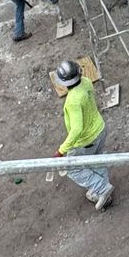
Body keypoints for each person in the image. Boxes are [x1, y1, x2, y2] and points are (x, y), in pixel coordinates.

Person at [52, 59, 113, 210]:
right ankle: (104, 196)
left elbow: (77, 129)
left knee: (73, 168)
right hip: (99, 129)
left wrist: (61, 150)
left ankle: (101, 188)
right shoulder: (86, 82)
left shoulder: (72, 101)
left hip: (86, 140)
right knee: (97, 160)